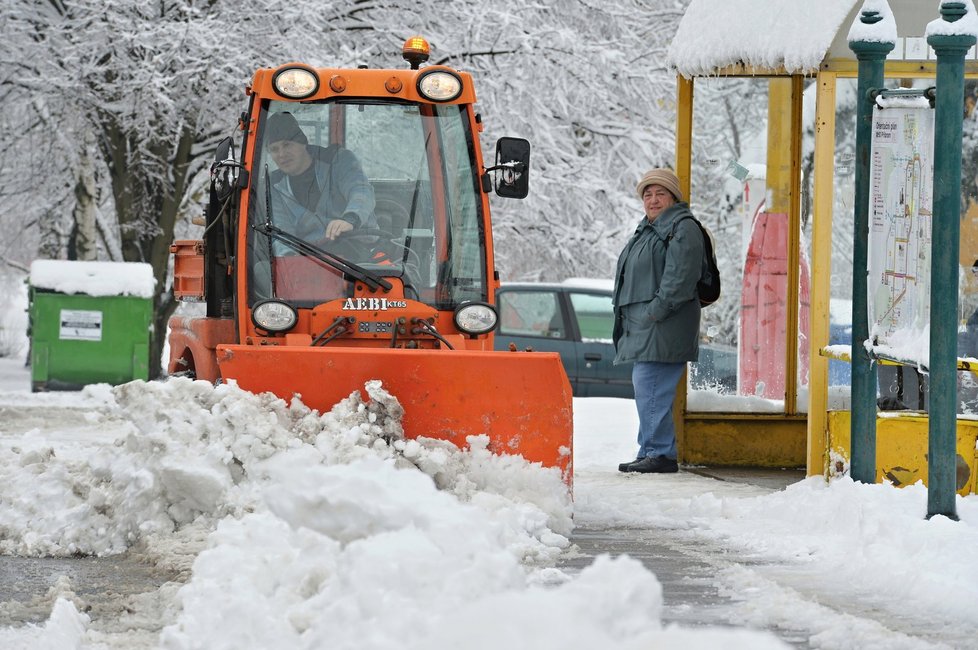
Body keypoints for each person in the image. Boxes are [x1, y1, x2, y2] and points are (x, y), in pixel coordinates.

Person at [613, 168, 705, 474]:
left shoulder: (682, 227)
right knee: (648, 387)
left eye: (660, 193)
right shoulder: (650, 229)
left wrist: (655, 311)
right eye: (647, 194)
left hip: (662, 325)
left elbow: (680, 276)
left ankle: (660, 453)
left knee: (651, 386)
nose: (653, 200)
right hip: (647, 326)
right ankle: (651, 449)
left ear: (673, 197)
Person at [264, 111, 377, 250]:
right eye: (274, 149)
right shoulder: (274, 186)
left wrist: (350, 219)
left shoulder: (337, 160)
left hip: (360, 251)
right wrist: (290, 263)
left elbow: (361, 190)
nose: (281, 154)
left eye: (287, 145)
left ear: (302, 142)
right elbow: (281, 233)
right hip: (315, 261)